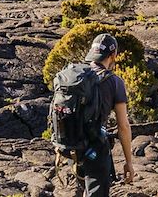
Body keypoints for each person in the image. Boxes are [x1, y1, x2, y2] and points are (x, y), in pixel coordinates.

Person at [67, 34, 135, 196]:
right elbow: (123, 126)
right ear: (113, 55)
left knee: (84, 188)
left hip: (72, 143)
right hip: (95, 147)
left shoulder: (75, 76)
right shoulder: (114, 82)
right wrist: (129, 162)